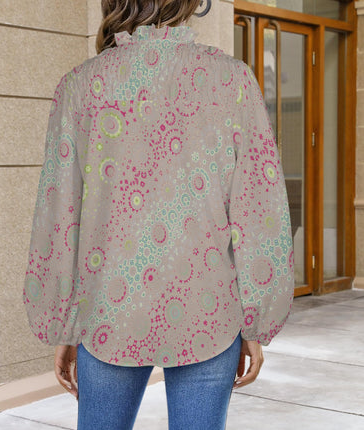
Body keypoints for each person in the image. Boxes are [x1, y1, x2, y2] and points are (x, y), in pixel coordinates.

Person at [23, 1, 294, 428]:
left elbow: (59, 216)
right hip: (208, 312)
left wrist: (66, 321)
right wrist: (253, 320)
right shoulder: (231, 80)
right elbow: (258, 210)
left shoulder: (82, 85)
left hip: (109, 313)